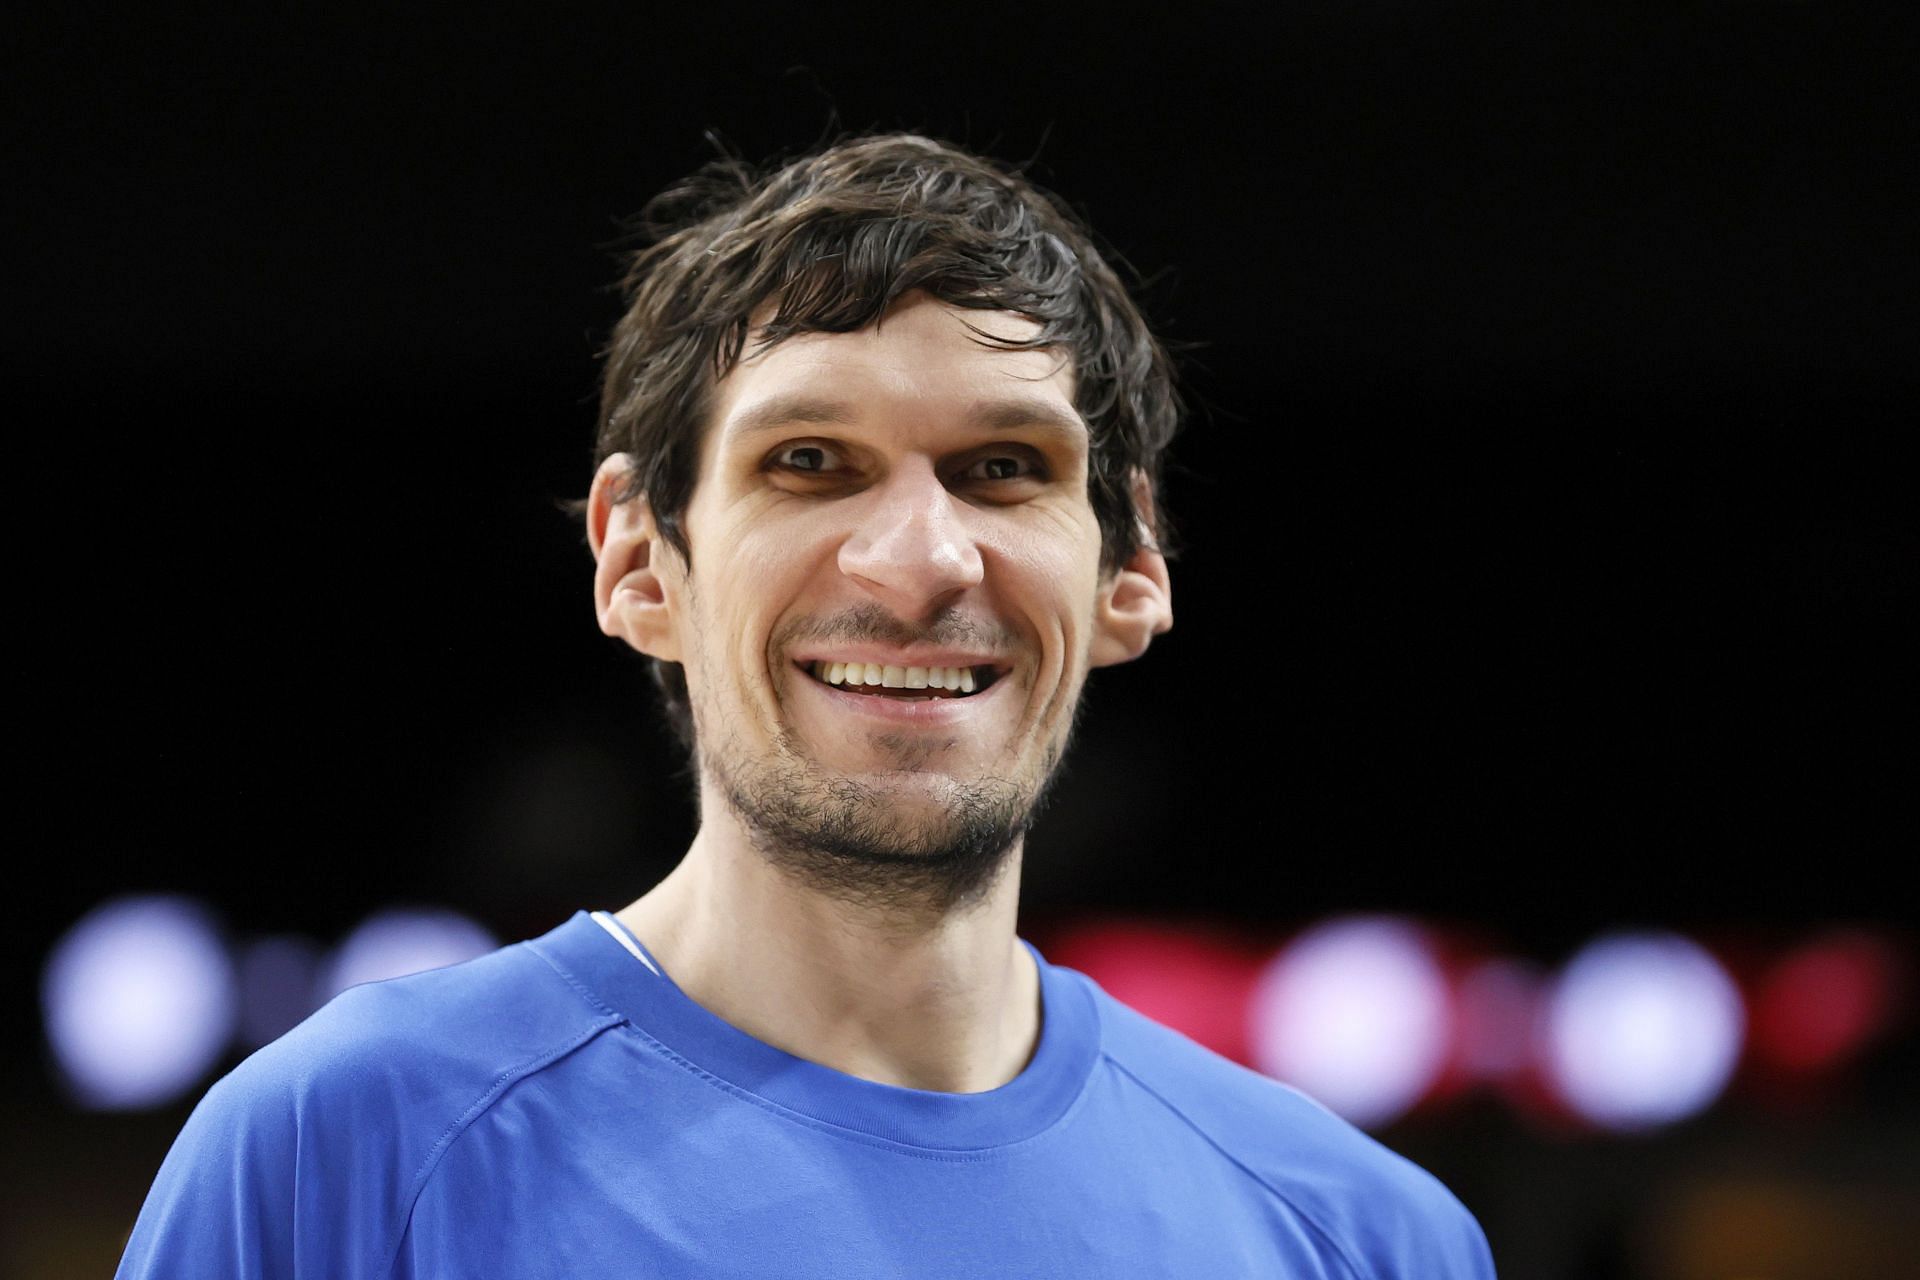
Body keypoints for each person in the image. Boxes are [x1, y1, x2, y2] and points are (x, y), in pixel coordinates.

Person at [118, 133, 1495, 1277]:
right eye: (812, 461)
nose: (918, 562)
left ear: (1133, 567)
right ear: (637, 559)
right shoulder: (339, 1159)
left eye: (1004, 465)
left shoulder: (1364, 1240)